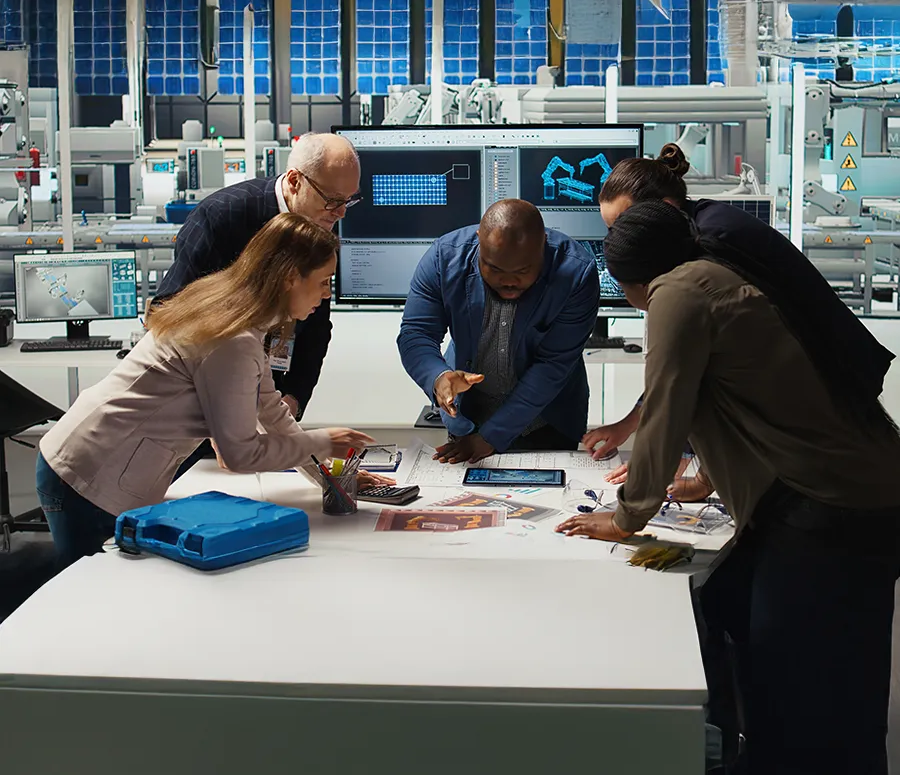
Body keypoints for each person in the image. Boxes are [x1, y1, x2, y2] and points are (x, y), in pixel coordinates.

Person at [557, 201, 900, 775]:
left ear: (630, 281)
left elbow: (666, 412)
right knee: (836, 678)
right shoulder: (717, 271)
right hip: (855, 493)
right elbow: (749, 396)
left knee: (800, 688)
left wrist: (627, 516)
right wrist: (708, 478)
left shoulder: (676, 294)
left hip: (827, 509)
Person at [36, 214, 381, 569]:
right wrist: (322, 442)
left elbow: (270, 410)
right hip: (88, 475)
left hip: (92, 458)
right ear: (291, 277)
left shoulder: (240, 317)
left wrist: (326, 475)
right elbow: (240, 454)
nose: (326, 294)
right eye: (324, 281)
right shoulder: (233, 338)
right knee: (90, 588)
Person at [583, 142, 894, 468]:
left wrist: (670, 458)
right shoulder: (696, 227)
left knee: (859, 477)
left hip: (831, 383)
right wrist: (631, 426)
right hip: (809, 387)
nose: (619, 239)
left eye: (624, 223)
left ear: (665, 207)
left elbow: (697, 368)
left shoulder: (712, 245)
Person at [154, 131, 361, 423]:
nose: (341, 213)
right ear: (294, 181)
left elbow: (315, 326)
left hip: (269, 398)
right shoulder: (222, 217)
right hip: (201, 403)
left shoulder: (322, 221)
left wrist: (294, 397)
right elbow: (168, 312)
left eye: (349, 201)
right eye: (333, 200)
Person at [397, 199, 600, 464]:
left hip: (545, 421)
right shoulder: (443, 258)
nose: (508, 281)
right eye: (494, 268)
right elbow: (416, 333)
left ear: (543, 246)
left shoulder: (576, 273)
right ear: (479, 241)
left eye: (522, 271)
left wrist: (491, 437)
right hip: (468, 418)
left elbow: (553, 365)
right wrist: (438, 378)